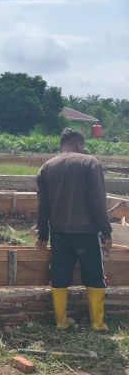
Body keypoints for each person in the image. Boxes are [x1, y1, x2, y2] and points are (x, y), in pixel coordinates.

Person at [35, 128, 112, 331]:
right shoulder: (90, 163)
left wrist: (42, 235)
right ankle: (97, 323)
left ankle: (61, 321)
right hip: (87, 233)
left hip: (59, 233)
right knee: (95, 276)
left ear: (61, 146)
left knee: (60, 275)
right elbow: (98, 201)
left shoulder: (46, 167)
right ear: (79, 144)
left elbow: (43, 206)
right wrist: (106, 231)